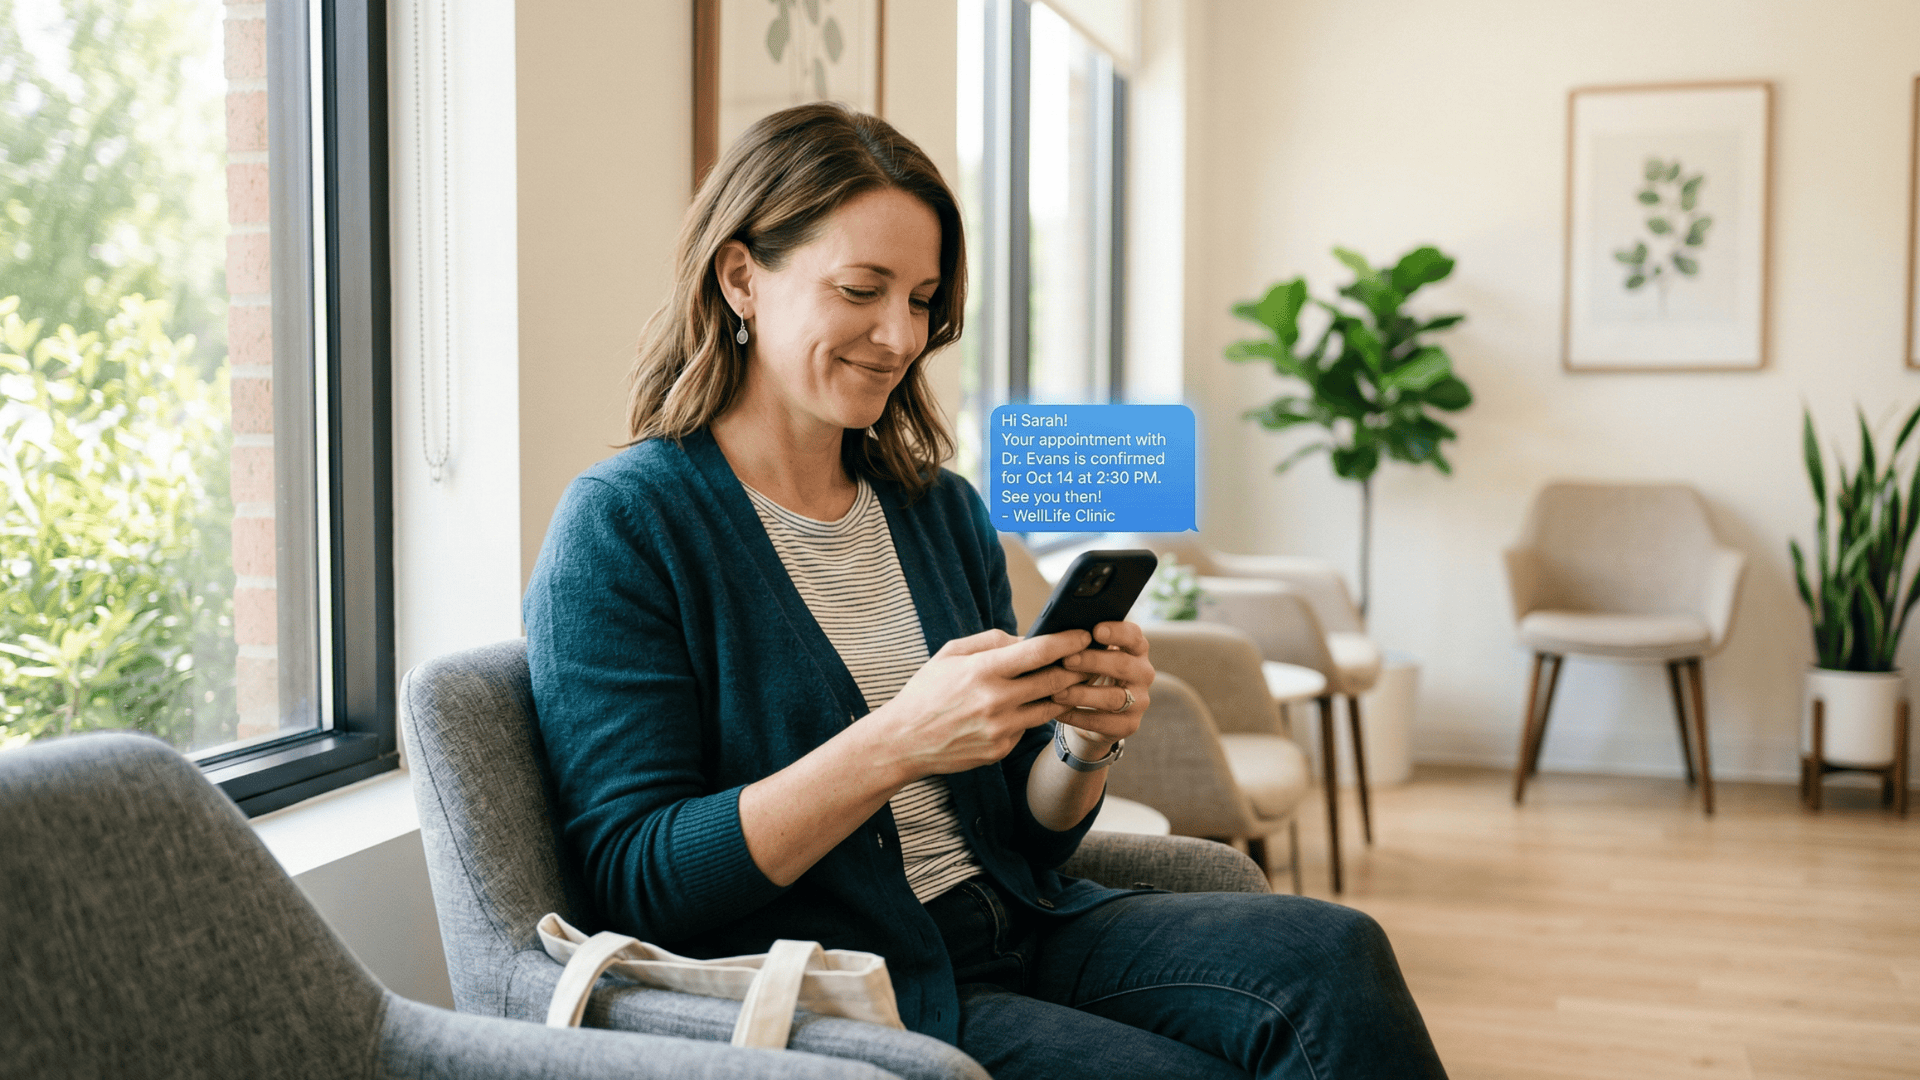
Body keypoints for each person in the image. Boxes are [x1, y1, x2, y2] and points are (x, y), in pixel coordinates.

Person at [524, 102, 1447, 1080]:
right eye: (861, 289)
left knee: (1336, 952)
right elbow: (636, 878)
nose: (898, 335)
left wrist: (1082, 742)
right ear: (742, 276)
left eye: (922, 300)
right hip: (862, 984)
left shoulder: (937, 511)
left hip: (1021, 922)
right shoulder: (625, 528)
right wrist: (896, 741)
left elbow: (1029, 832)